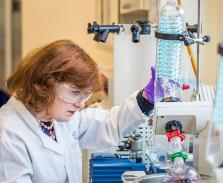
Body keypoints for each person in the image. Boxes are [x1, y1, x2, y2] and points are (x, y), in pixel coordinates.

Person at [0, 40, 155, 183]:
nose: (81, 105)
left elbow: (109, 125)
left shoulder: (56, 115)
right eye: (75, 93)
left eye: (85, 95)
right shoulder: (9, 133)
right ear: (45, 84)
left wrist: (147, 98)